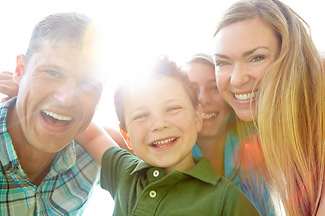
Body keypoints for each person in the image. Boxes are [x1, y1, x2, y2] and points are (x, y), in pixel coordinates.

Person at [213, 0, 325, 215]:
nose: (236, 79)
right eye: (223, 62)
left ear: (288, 55)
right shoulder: (268, 126)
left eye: (256, 58)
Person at [77, 56, 260, 215]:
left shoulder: (227, 199)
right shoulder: (124, 171)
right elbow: (93, 136)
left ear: (197, 117)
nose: (159, 124)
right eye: (142, 115)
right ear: (126, 135)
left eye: (172, 109)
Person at [0, 13, 105, 215]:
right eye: (52, 73)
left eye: (88, 84)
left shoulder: (92, 153)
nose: (66, 99)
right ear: (20, 70)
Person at [187, 53, 274, 215]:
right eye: (192, 90)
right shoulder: (171, 161)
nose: (203, 99)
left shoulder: (256, 144)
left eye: (213, 88)